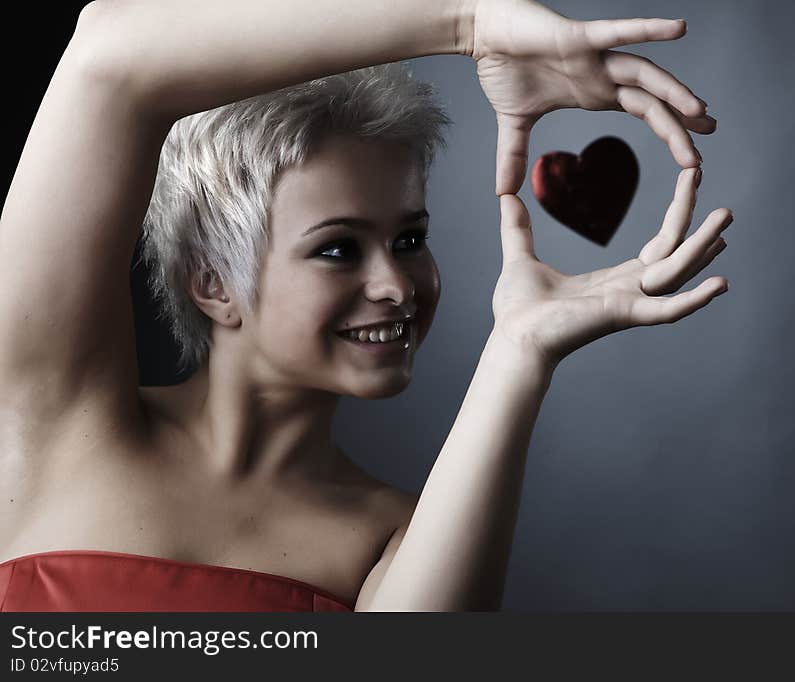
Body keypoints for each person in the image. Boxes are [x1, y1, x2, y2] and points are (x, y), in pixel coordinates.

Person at [0, 0, 731, 612]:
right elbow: (106, 54)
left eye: (410, 237)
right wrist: (469, 23)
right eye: (339, 248)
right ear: (212, 281)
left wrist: (522, 347)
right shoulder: (58, 419)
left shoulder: (396, 537)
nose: (397, 284)